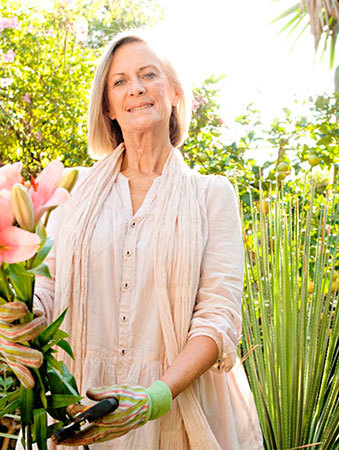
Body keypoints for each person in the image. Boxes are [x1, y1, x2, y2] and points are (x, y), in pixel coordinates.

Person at [30, 29, 263, 450]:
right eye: (119, 81)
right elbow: (46, 289)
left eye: (148, 75)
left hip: (177, 410)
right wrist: (17, 313)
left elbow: (218, 317)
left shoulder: (212, 195)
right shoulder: (72, 189)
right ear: (108, 106)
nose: (135, 88)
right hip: (85, 409)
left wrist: (153, 398)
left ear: (174, 92)